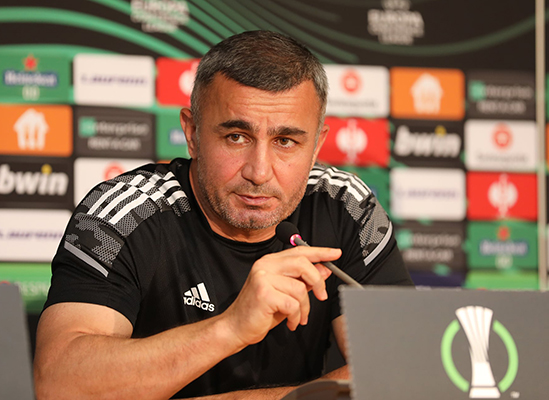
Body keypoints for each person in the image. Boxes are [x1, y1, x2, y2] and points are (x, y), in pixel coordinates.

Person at [33, 30, 413, 400]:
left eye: (285, 141)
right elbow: (58, 385)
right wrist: (230, 328)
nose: (259, 172)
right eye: (236, 137)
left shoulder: (345, 206)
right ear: (192, 133)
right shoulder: (123, 213)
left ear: (316, 146)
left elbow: (406, 369)